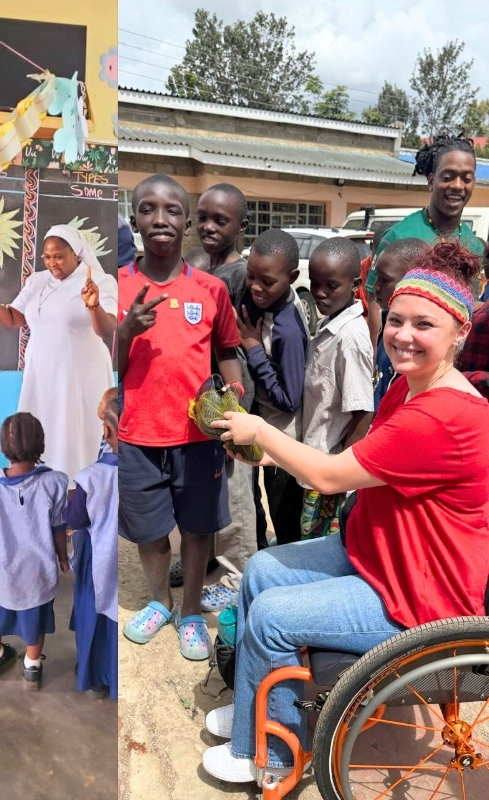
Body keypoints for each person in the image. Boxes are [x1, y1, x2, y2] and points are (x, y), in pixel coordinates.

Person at [203, 241, 489, 786]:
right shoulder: (407, 388)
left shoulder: (442, 416)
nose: (403, 334)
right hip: (382, 554)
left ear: (460, 332)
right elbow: (351, 466)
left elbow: (329, 476)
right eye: (397, 319)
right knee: (260, 571)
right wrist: (259, 450)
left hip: (420, 593)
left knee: (272, 617)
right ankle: (251, 720)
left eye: (423, 324)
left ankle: (275, 758)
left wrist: (261, 430)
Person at [116, 174, 242, 662]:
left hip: (196, 438)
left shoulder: (210, 289)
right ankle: (159, 603)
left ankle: (191, 611)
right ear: (135, 220)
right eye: (148, 209)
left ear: (187, 223)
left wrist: (233, 393)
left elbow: (227, 349)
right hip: (138, 436)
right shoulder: (118, 288)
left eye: (172, 210)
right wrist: (125, 332)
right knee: (149, 534)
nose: (160, 218)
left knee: (196, 530)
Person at [0, 224, 118, 478]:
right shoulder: (37, 281)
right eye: (47, 257)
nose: (52, 263)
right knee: (44, 427)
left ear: (76, 254)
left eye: (58, 256)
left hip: (79, 373)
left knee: (76, 432)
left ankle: (79, 488)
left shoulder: (99, 281)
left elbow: (107, 328)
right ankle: (45, 483)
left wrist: (93, 306)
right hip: (42, 373)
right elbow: (13, 319)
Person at [0, 412, 68, 691]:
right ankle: (32, 667)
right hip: (38, 568)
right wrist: (62, 557)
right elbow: (59, 526)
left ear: (2, 447)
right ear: (42, 445)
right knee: (34, 616)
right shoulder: (55, 482)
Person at [194, 183, 257, 610]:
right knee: (209, 486)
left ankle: (239, 574)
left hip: (230, 395)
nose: (208, 227)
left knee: (236, 489)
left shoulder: (239, 276)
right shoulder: (200, 272)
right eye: (203, 218)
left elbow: (239, 342)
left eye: (221, 220)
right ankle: (211, 560)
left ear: (241, 226)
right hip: (205, 400)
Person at [298, 238, 374, 540]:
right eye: (315, 284)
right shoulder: (330, 324)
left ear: (355, 284)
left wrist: (341, 472)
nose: (319, 293)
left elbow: (362, 410)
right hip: (317, 464)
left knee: (319, 546)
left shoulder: (350, 337)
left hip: (329, 470)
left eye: (331, 286)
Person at [241, 230, 308, 547]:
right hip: (265, 432)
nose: (255, 286)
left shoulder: (288, 329)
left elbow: (288, 399)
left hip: (283, 440)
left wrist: (254, 349)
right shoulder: (268, 305)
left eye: (266, 281)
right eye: (250, 276)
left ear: (292, 277)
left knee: (284, 518)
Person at [364, 134, 484, 304]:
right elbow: (376, 303)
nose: (457, 185)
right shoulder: (398, 236)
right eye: (447, 177)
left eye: (467, 179)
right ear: (431, 180)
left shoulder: (474, 245)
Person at [67, 389, 119, 698]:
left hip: (97, 562)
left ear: (107, 431)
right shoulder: (142, 472)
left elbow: (75, 520)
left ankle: (95, 676)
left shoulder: (90, 478)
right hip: (127, 558)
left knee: (97, 616)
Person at [373, 239, 429, 408]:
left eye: (385, 280)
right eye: (377, 278)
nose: (375, 286)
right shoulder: (386, 322)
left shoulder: (416, 340)